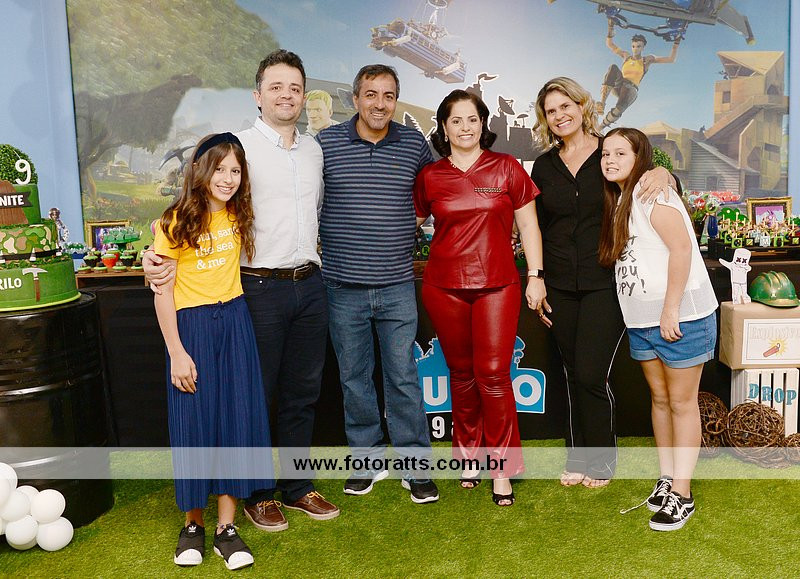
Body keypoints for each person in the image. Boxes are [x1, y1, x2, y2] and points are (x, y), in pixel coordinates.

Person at [145, 49, 339, 532]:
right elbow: (193, 206)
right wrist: (154, 254)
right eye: (276, 87)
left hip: (310, 284)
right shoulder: (239, 148)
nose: (286, 95)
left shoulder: (314, 151)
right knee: (255, 397)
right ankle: (257, 493)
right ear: (258, 95)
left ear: (304, 95)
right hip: (257, 288)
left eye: (294, 87)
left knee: (302, 393)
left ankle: (297, 486)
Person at [530, 77, 672, 488]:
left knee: (592, 375)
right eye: (551, 111)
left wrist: (663, 173)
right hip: (559, 284)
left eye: (566, 106)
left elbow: (651, 171)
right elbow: (538, 225)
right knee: (572, 374)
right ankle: (578, 456)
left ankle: (602, 458)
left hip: (604, 282)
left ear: (582, 106)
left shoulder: (610, 150)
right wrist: (538, 278)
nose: (560, 115)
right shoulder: (544, 166)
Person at [414, 89, 547, 506]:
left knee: (493, 374)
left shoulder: (507, 167)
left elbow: (529, 227)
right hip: (443, 287)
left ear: (483, 124)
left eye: (472, 119)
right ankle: (468, 456)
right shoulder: (430, 176)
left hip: (497, 286)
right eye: (456, 120)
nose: (465, 127)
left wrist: (536, 276)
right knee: (461, 374)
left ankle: (502, 468)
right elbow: (408, 225)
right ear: (443, 127)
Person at [315, 64, 439, 503]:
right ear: (355, 99)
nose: (380, 104)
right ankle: (366, 461)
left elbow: (439, 187)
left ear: (395, 100)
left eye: (388, 95)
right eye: (371, 94)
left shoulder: (414, 144)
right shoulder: (326, 143)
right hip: (341, 285)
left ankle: (414, 466)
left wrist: (414, 222)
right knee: (354, 378)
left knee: (403, 376)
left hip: (396, 283)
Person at [152, 132, 271, 570]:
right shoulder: (173, 222)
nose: (227, 178)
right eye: (219, 169)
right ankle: (193, 525)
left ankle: (226, 528)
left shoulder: (239, 215)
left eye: (235, 170)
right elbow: (162, 293)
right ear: (201, 170)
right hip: (192, 328)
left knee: (235, 421)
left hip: (235, 321)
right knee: (194, 424)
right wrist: (176, 352)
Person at [599, 128, 718, 531]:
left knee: (682, 403)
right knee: (661, 400)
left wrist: (670, 311)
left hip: (679, 317)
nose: (610, 160)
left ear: (640, 158)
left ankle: (683, 494)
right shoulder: (621, 199)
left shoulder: (654, 193)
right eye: (605, 153)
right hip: (642, 321)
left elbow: (682, 249)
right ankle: (667, 479)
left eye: (620, 153)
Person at [597, 21, 681, 128]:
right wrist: (610, 27)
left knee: (619, 106)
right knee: (613, 68)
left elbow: (671, 59)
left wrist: (676, 43)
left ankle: (601, 127)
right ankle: (602, 103)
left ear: (643, 47)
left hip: (631, 90)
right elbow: (610, 44)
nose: (635, 49)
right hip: (619, 85)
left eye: (638, 46)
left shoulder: (647, 60)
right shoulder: (626, 56)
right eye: (633, 46)